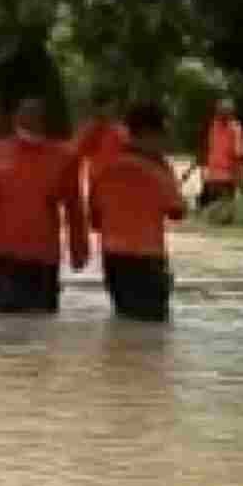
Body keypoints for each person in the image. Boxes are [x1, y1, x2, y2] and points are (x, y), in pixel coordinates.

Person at [0, 95, 88, 314]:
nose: (30, 118)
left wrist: (79, 250)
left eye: (36, 114)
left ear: (44, 120)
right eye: (25, 113)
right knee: (5, 328)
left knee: (42, 327)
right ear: (15, 118)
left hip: (43, 257)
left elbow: (74, 208)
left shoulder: (64, 157)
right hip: (4, 256)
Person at [89, 103, 187, 322]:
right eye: (163, 134)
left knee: (124, 323)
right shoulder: (159, 168)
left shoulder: (106, 166)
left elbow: (95, 219)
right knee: (152, 333)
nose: (166, 141)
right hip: (147, 261)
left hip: (113, 260)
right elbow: (177, 211)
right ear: (149, 133)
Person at [195, 96, 243, 211]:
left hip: (226, 180)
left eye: (224, 111)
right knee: (208, 212)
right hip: (212, 179)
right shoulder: (213, 127)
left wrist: (242, 184)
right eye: (219, 111)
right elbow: (206, 152)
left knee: (221, 213)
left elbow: (239, 158)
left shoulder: (236, 129)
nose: (220, 114)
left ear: (231, 113)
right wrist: (203, 174)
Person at [74, 84, 129, 193]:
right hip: (99, 186)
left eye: (109, 105)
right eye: (101, 105)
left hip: (120, 184)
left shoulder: (122, 132)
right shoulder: (89, 131)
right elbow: (74, 156)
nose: (107, 110)